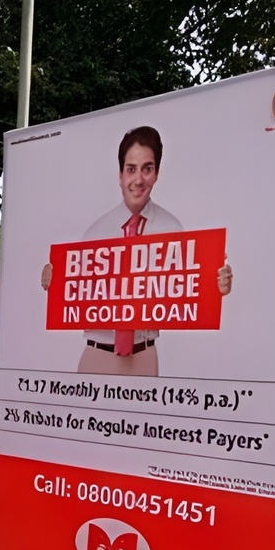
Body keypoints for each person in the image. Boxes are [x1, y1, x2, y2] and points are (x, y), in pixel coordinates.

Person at [41, 125, 233, 376]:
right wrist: (54, 279)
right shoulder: (96, 232)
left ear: (156, 174)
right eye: (131, 169)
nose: (139, 179)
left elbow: (186, 290)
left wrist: (214, 284)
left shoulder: (172, 229)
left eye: (147, 168)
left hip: (144, 356)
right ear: (120, 174)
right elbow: (72, 290)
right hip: (96, 356)